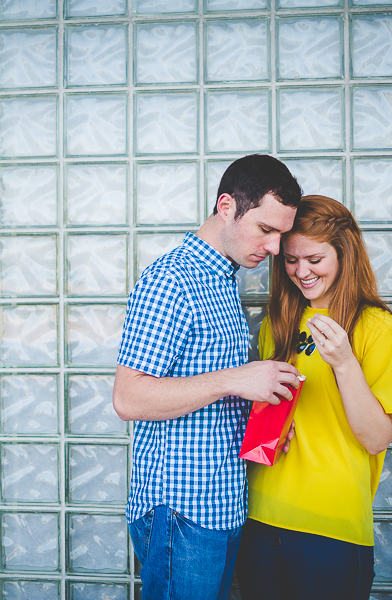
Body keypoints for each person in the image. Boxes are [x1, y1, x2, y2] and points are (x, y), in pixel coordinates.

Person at [113, 154, 303, 600]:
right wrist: (233, 379)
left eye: (281, 234)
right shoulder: (172, 280)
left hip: (219, 507)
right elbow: (129, 398)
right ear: (226, 206)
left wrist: (261, 428)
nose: (275, 248)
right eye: (265, 229)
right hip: (181, 514)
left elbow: (206, 392)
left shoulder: (221, 280)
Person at [236, 195, 392, 600]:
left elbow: (376, 438)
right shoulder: (277, 323)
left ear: (344, 253)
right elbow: (265, 414)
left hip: (330, 527)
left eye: (314, 259)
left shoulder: (377, 328)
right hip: (259, 517)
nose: (301, 271)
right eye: (291, 260)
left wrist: (345, 364)